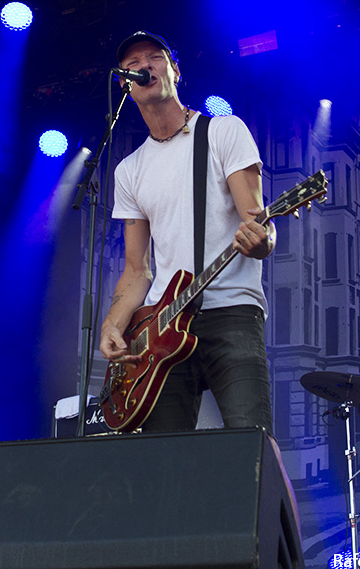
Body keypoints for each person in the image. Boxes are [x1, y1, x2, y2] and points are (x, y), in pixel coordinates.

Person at [99, 30, 276, 433]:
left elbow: (259, 224)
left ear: (175, 71)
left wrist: (262, 242)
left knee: (251, 443)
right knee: (164, 458)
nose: (144, 67)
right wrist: (112, 325)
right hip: (162, 326)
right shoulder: (129, 170)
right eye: (132, 64)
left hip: (231, 310)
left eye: (154, 57)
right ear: (125, 84)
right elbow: (137, 270)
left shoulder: (223, 132)